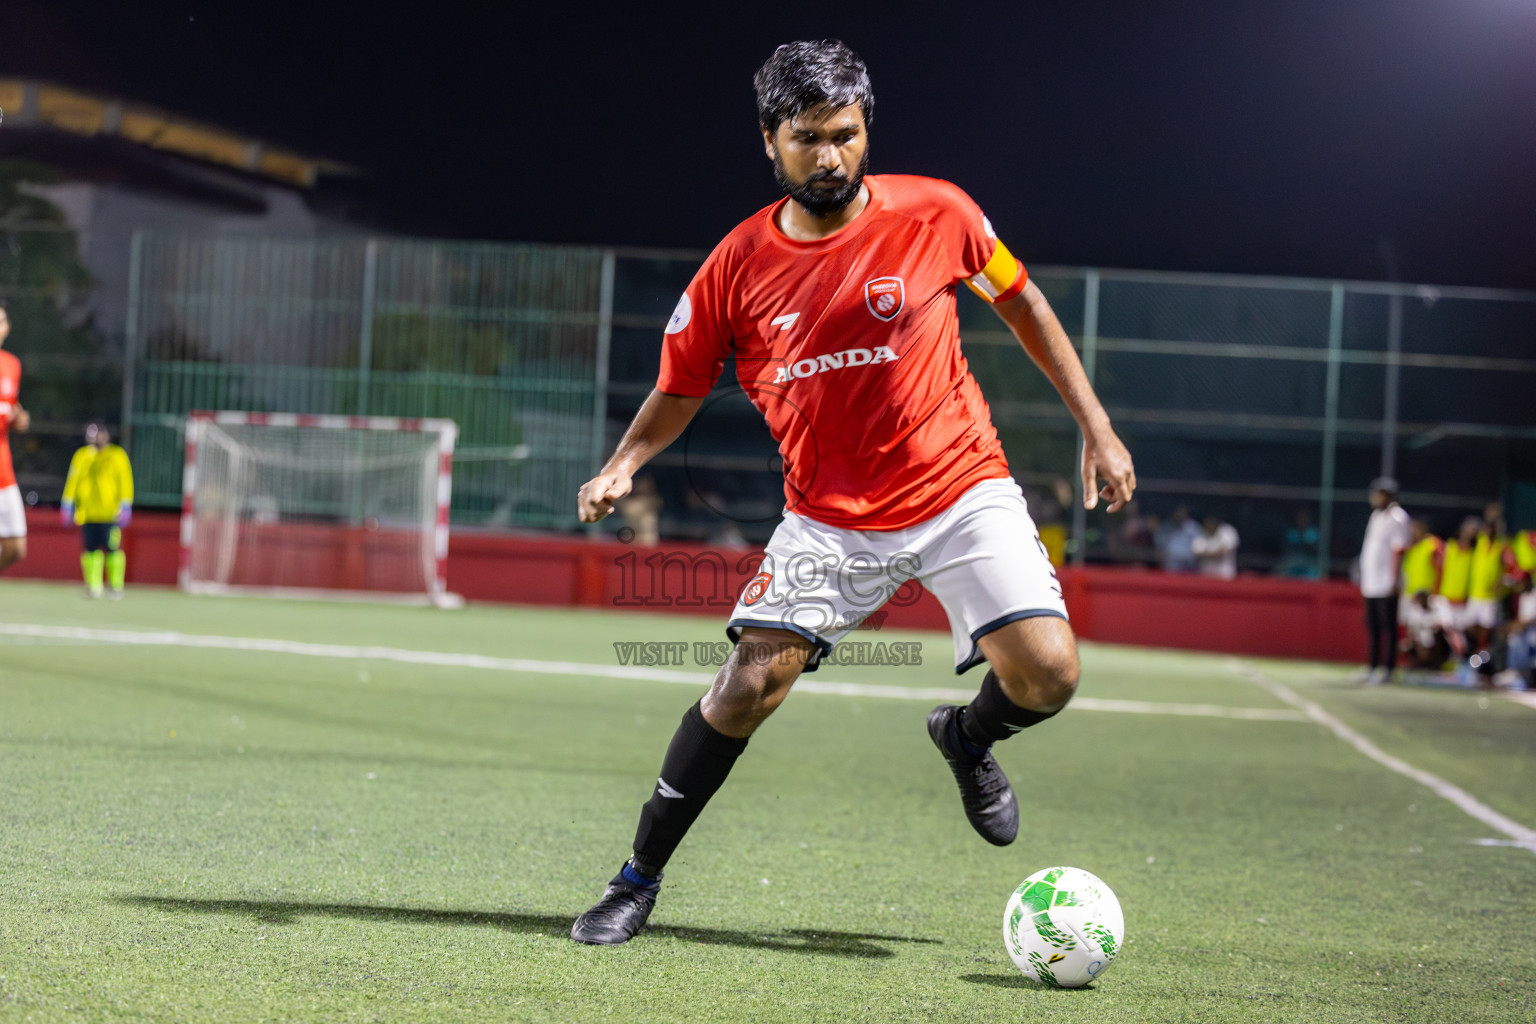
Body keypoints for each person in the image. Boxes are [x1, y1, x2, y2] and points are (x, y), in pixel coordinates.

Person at [568, 40, 1135, 946]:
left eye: (845, 135)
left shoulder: (939, 214)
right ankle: (636, 879)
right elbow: (678, 386)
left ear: (865, 130)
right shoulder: (735, 266)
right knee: (746, 688)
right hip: (828, 521)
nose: (829, 156)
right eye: (808, 139)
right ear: (770, 142)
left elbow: (1022, 301)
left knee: (1050, 674)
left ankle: (968, 738)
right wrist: (625, 462)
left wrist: (1094, 426)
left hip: (961, 487)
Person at [60, 423, 134, 599]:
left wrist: (125, 504)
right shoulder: (82, 456)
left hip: (110, 514)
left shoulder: (117, 455)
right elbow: (73, 480)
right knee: (90, 550)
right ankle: (93, 586)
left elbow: (125, 480)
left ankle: (116, 586)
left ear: (106, 435)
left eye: (98, 435)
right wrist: (67, 503)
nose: (94, 440)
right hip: (88, 513)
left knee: (113, 549)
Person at [1356, 477, 1412, 682]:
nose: (1375, 497)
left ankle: (1388, 668)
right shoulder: (1376, 516)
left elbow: (1399, 549)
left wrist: (1393, 579)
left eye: (1379, 493)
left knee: (1388, 626)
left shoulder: (1398, 517)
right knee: (1373, 626)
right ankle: (1372, 667)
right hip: (1371, 582)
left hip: (1387, 582)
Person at [0, 303, 31, 573]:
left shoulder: (11, 365)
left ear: (7, 327)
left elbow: (12, 409)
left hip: (3, 472)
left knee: (16, 548)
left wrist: (19, 420)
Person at [1398, 517, 1445, 669]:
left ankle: (1433, 661)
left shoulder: (1432, 544)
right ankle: (1417, 660)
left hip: (1427, 598)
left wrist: (1434, 592)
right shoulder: (1410, 547)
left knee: (1430, 631)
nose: (1412, 533)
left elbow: (1441, 568)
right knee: (1412, 632)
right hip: (1410, 596)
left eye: (1415, 530)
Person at [1432, 516, 1480, 658]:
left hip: (1463, 600)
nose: (1470, 533)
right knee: (1443, 629)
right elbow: (1439, 570)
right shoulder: (1449, 547)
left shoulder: (1475, 552)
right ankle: (1443, 659)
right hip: (1445, 598)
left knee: (1464, 633)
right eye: (1468, 529)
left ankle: (1462, 661)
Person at [1192, 515, 1238, 579]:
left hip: (1224, 574)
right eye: (1207, 522)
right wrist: (1216, 552)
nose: (1209, 524)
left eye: (1212, 521)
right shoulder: (1200, 535)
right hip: (1206, 574)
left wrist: (1206, 553)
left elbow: (1223, 553)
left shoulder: (1227, 531)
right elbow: (1196, 555)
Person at [1156, 506, 1200, 573]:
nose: (1180, 515)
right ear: (1174, 513)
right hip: (1171, 566)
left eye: (1182, 512)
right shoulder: (1166, 527)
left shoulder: (1192, 527)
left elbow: (1200, 546)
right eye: (1178, 512)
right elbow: (1160, 546)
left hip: (1189, 567)